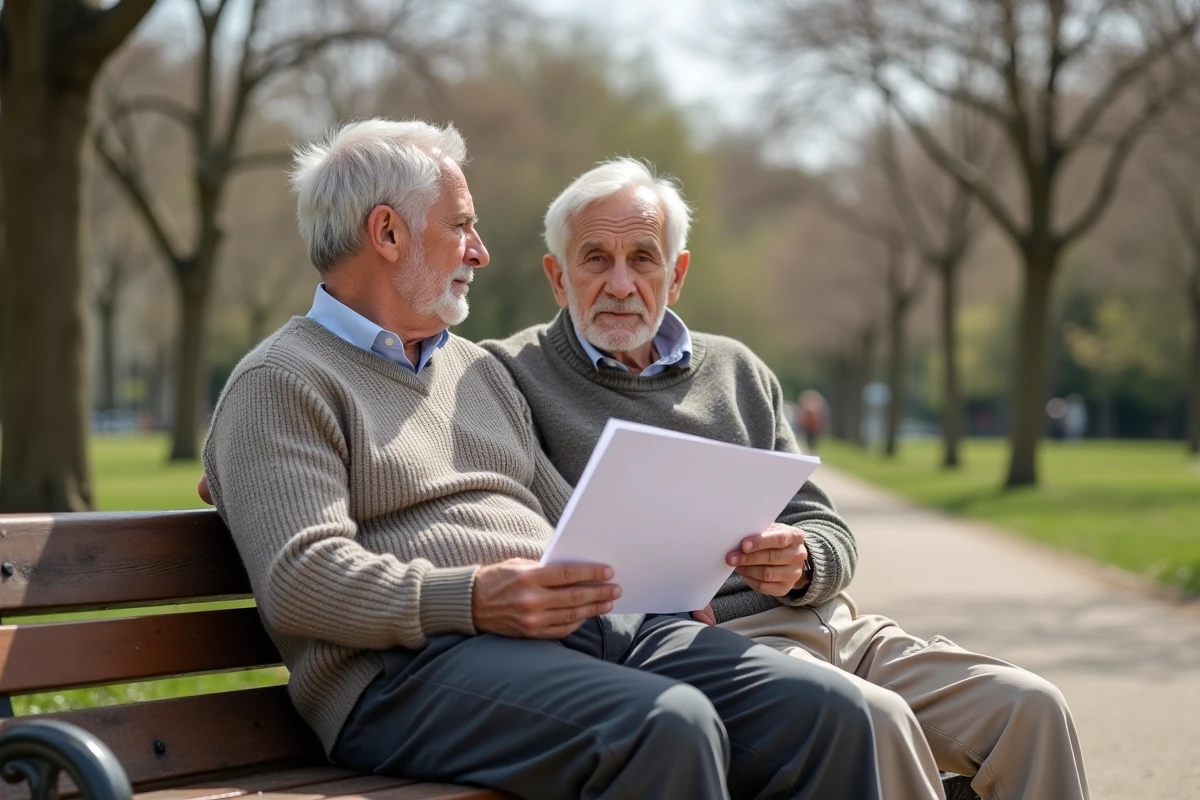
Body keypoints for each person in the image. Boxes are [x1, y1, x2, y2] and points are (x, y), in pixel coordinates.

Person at [200, 119, 882, 800]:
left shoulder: (475, 371)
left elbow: (558, 507)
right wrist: (472, 598)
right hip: (404, 674)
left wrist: (655, 583)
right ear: (388, 234)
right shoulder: (281, 381)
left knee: (829, 711)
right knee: (665, 726)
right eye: (462, 226)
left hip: (583, 636)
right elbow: (299, 577)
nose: (481, 251)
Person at [481, 158, 1091, 800]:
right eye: (595, 259)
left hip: (835, 626)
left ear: (677, 274)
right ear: (557, 277)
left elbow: (824, 524)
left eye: (643, 257)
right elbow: (515, 536)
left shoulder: (739, 370)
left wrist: (804, 560)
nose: (622, 283)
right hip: (720, 651)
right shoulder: (514, 378)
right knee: (878, 722)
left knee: (1032, 706)